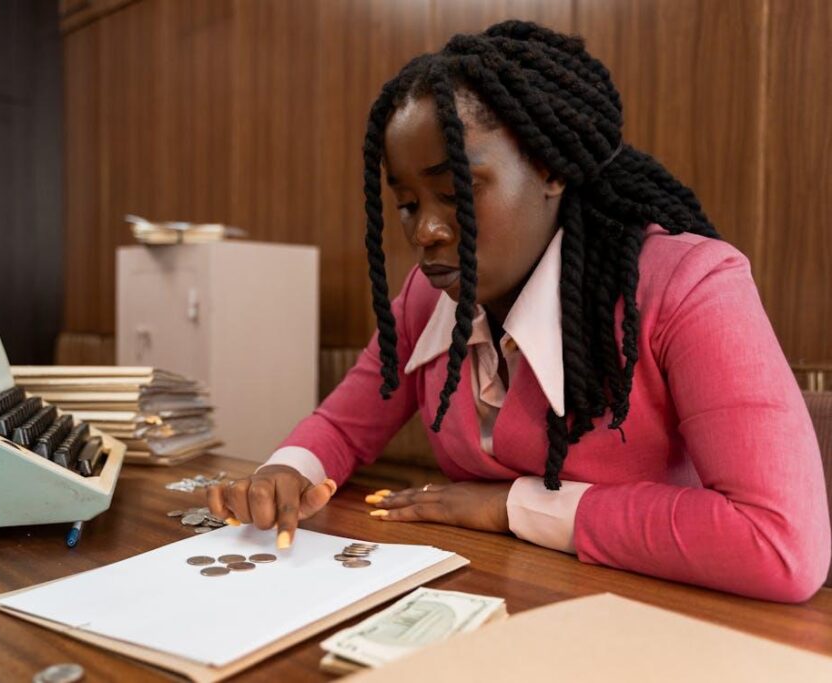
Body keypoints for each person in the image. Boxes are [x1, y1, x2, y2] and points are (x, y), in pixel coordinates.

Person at [207, 20, 829, 602]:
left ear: (550, 169)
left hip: (663, 618)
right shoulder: (431, 296)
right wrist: (286, 471)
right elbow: (344, 426)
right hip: (500, 598)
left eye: (455, 193)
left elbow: (781, 544)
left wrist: (514, 507)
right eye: (404, 203)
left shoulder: (691, 285)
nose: (425, 230)